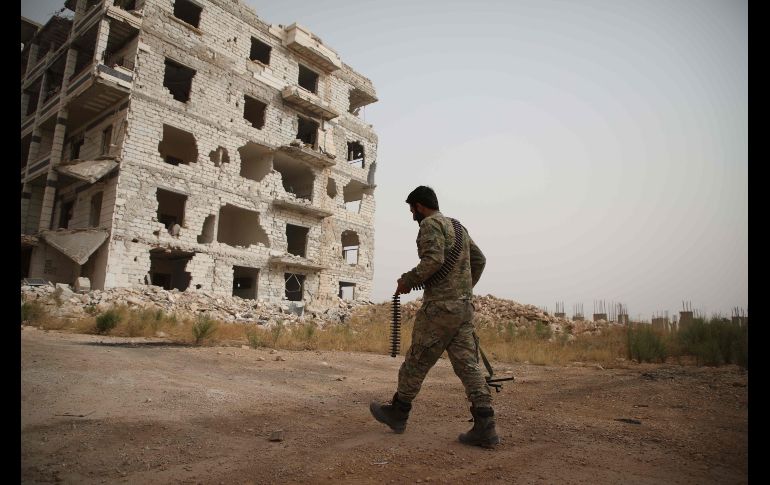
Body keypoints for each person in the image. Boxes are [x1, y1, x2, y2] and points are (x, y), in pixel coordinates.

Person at [369, 186, 499, 448]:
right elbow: (480, 260)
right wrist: (462, 290)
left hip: (440, 309)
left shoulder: (430, 224)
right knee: (468, 366)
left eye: (412, 210)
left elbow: (434, 260)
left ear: (419, 206)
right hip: (463, 309)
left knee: (417, 360)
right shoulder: (458, 227)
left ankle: (398, 412)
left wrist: (408, 280)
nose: (412, 215)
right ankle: (485, 425)